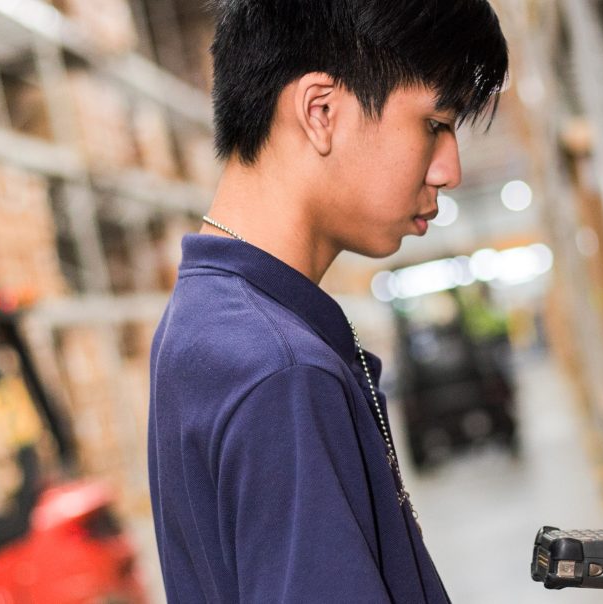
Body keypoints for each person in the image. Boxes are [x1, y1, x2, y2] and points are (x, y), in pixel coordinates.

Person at [145, 0, 503, 601]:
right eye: (435, 124)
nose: (450, 169)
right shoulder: (281, 372)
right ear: (321, 112)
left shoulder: (209, 322)